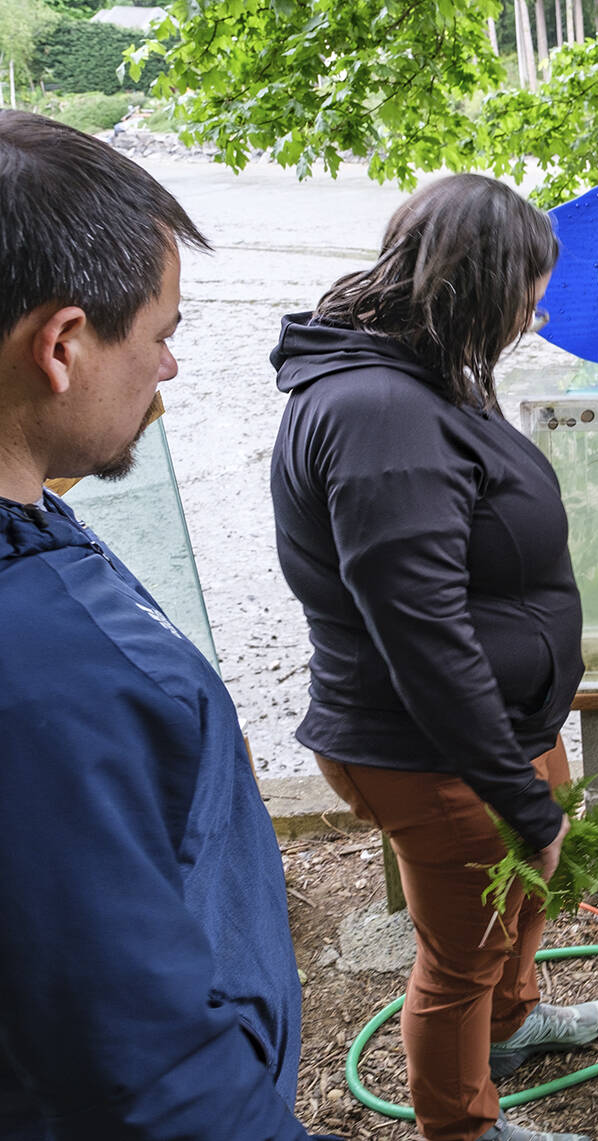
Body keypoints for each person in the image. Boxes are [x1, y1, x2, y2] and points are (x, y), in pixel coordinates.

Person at [0, 110, 337, 1140]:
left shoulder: (39, 548)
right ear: (62, 345)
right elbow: (144, 1072)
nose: (170, 370)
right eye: (161, 335)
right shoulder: (51, 674)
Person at [270, 174, 598, 1141]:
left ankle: (510, 1024)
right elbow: (418, 632)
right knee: (459, 951)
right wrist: (518, 789)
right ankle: (463, 1124)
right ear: (481, 280)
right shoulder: (380, 413)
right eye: (530, 288)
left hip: (494, 728)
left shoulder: (415, 373)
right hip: (431, 743)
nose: (538, 309)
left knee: (530, 883)